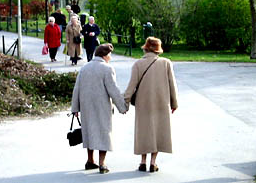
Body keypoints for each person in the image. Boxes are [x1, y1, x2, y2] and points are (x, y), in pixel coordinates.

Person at [71, 43, 128, 174]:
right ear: (105, 55)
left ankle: (90, 160)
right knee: (104, 132)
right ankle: (102, 163)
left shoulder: (84, 68)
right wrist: (122, 107)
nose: (111, 58)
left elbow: (77, 89)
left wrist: (75, 108)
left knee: (89, 132)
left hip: (86, 106)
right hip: (102, 106)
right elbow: (113, 89)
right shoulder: (107, 68)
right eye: (110, 55)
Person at [124, 37, 178, 173]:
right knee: (158, 132)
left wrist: (125, 103)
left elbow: (131, 86)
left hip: (143, 104)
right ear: (158, 50)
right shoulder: (166, 63)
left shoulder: (137, 64)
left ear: (146, 48)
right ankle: (153, 163)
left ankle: (142, 162)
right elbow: (172, 85)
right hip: (161, 102)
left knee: (144, 132)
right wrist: (174, 103)